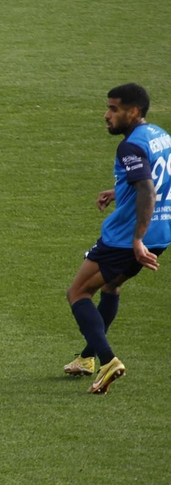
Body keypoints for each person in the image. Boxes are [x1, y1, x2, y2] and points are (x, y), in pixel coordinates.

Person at [64, 83, 169, 394]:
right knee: (111, 286)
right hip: (162, 233)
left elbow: (148, 189)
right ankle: (86, 358)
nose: (106, 115)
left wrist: (137, 239)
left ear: (132, 112)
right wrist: (120, 190)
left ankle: (109, 361)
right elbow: (155, 179)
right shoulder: (161, 135)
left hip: (126, 238)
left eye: (113, 109)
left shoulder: (130, 146)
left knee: (78, 292)